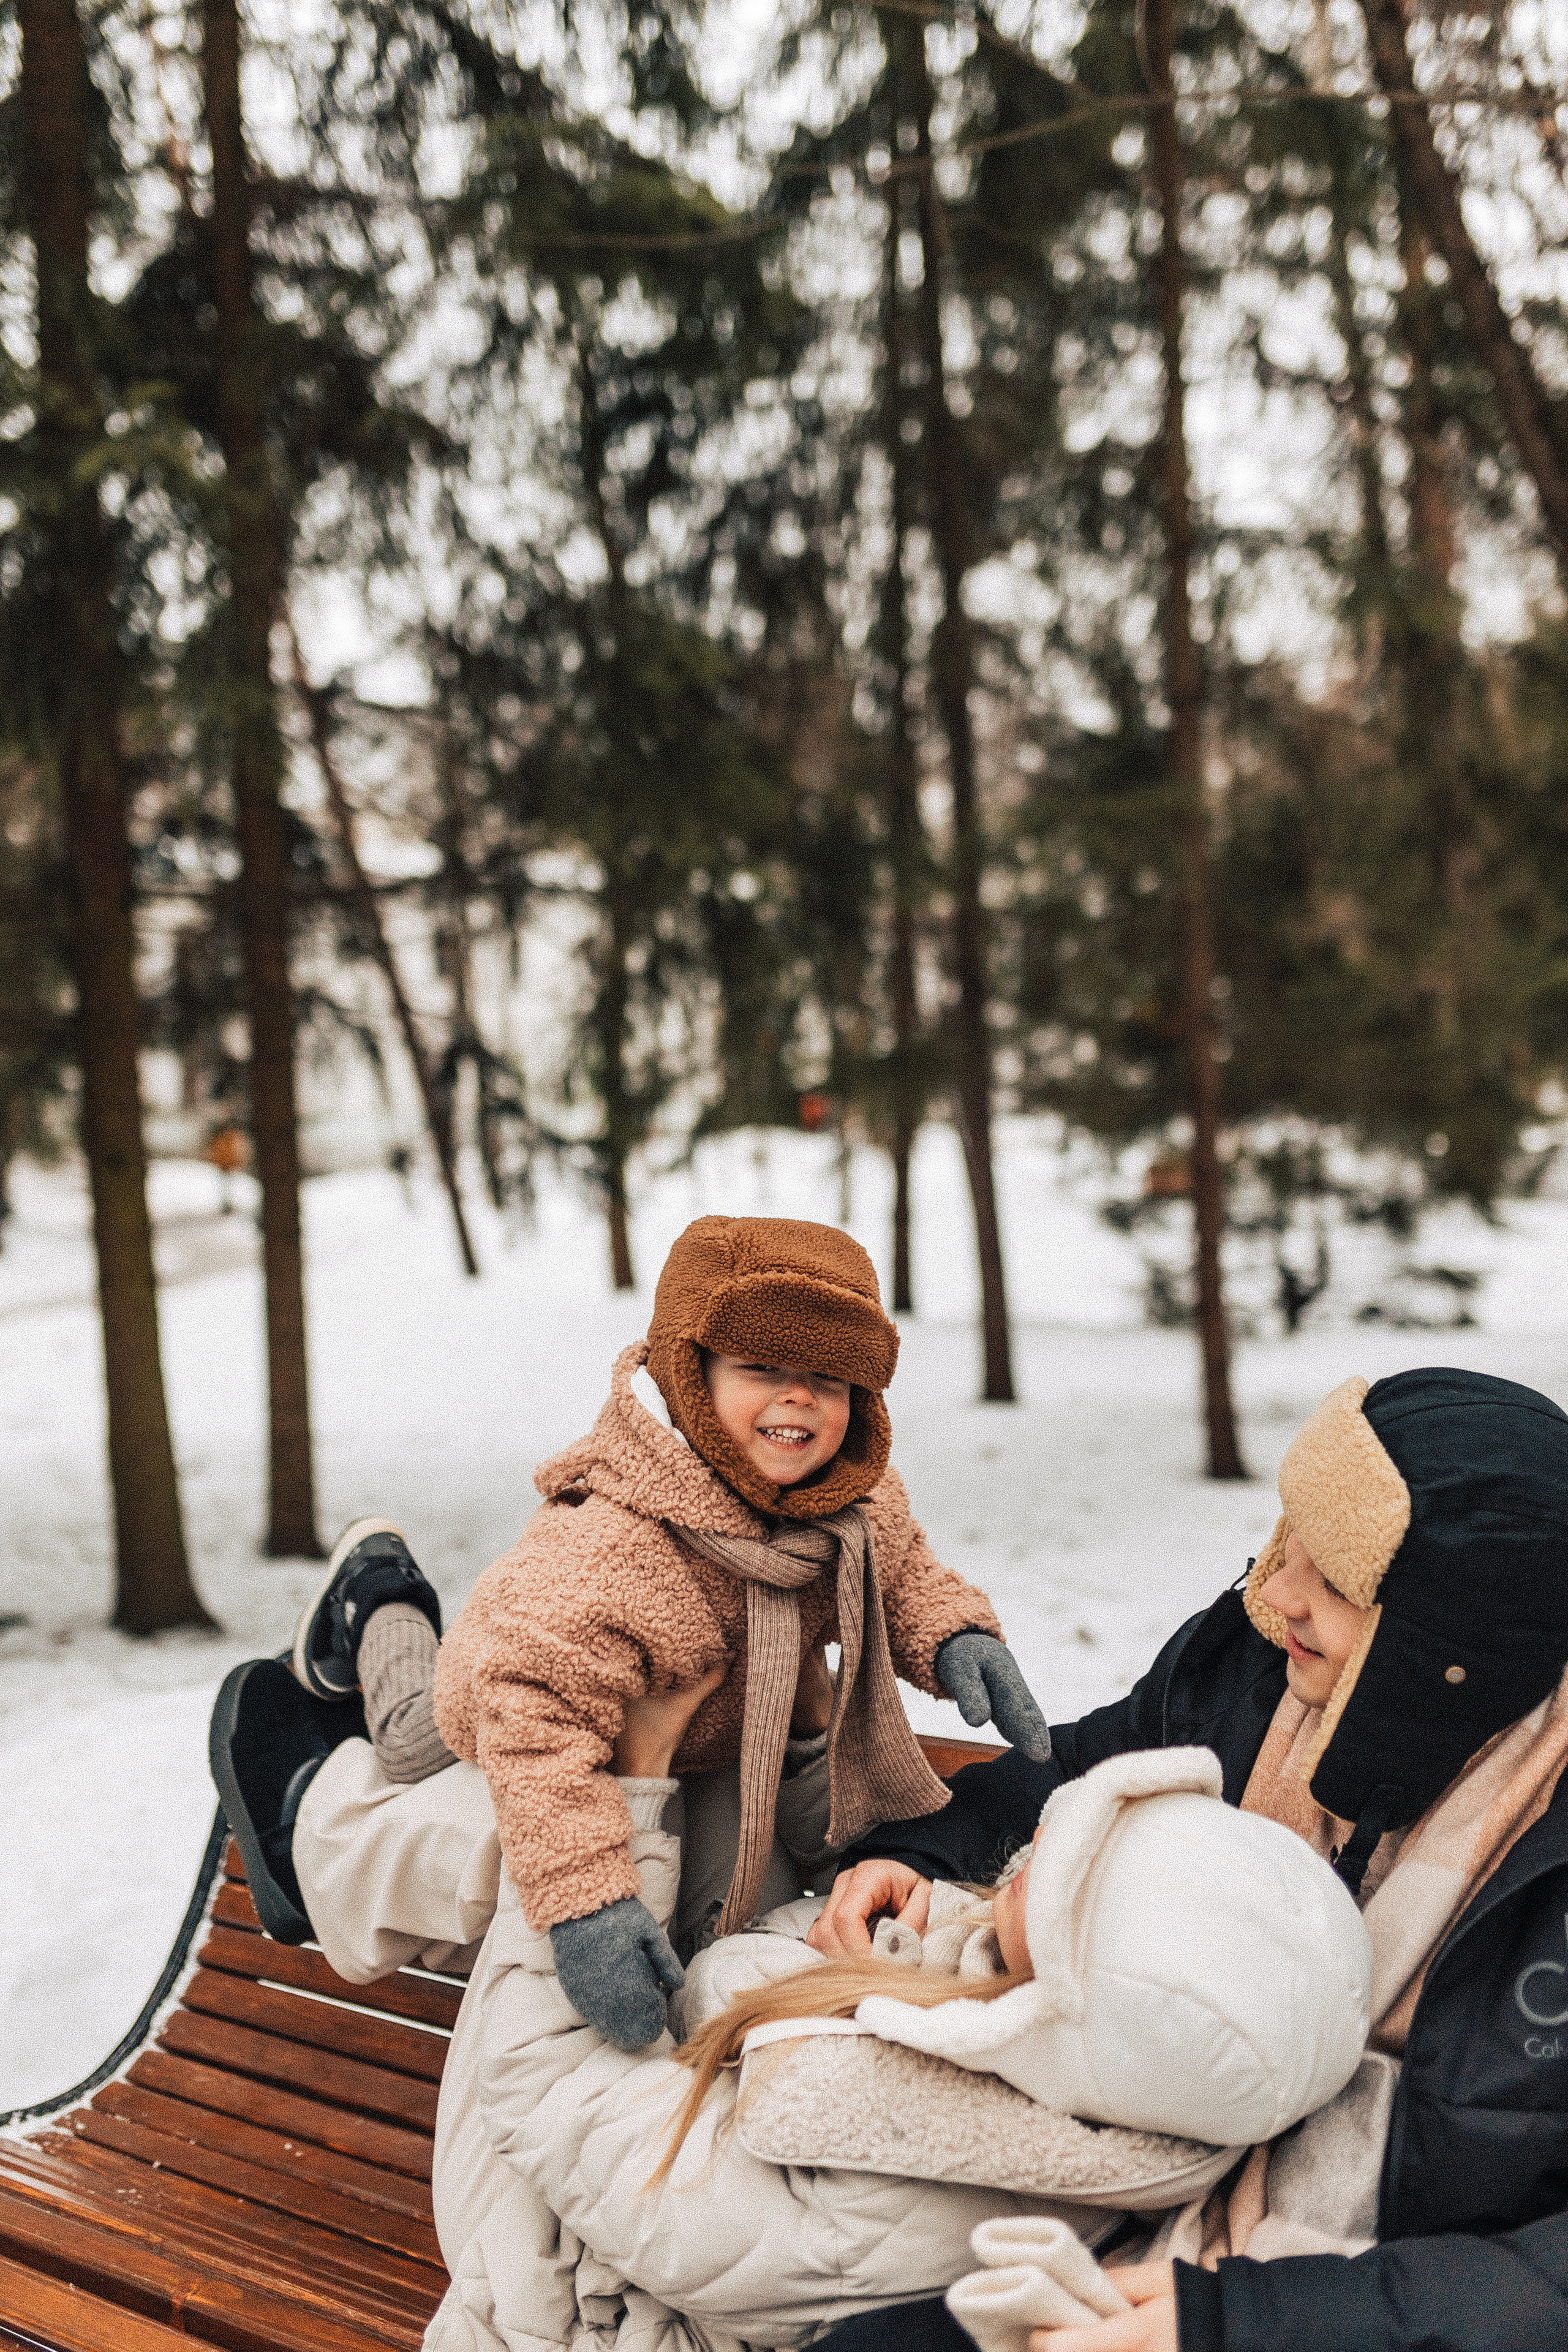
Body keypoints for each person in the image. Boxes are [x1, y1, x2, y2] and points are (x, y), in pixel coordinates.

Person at [805, 1365, 1568, 2352]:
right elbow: (1082, 1767)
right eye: (1291, 1542)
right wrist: (920, 1851)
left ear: (1449, 1645)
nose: (1277, 1592)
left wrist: (1252, 2323)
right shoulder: (1259, 1670)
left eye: (1336, 1582)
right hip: (1141, 2205)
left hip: (1357, 2304)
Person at [212, 1213, 1050, 2049]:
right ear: (692, 1373)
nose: (799, 1396)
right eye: (762, 1366)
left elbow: (902, 1574)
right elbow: (535, 1727)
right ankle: (377, 1594)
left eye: (828, 1378)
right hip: (519, 1682)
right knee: (407, 1741)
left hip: (678, 1728)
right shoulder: (614, 1553)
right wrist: (589, 1904)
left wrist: (956, 1637)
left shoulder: (852, 1511)